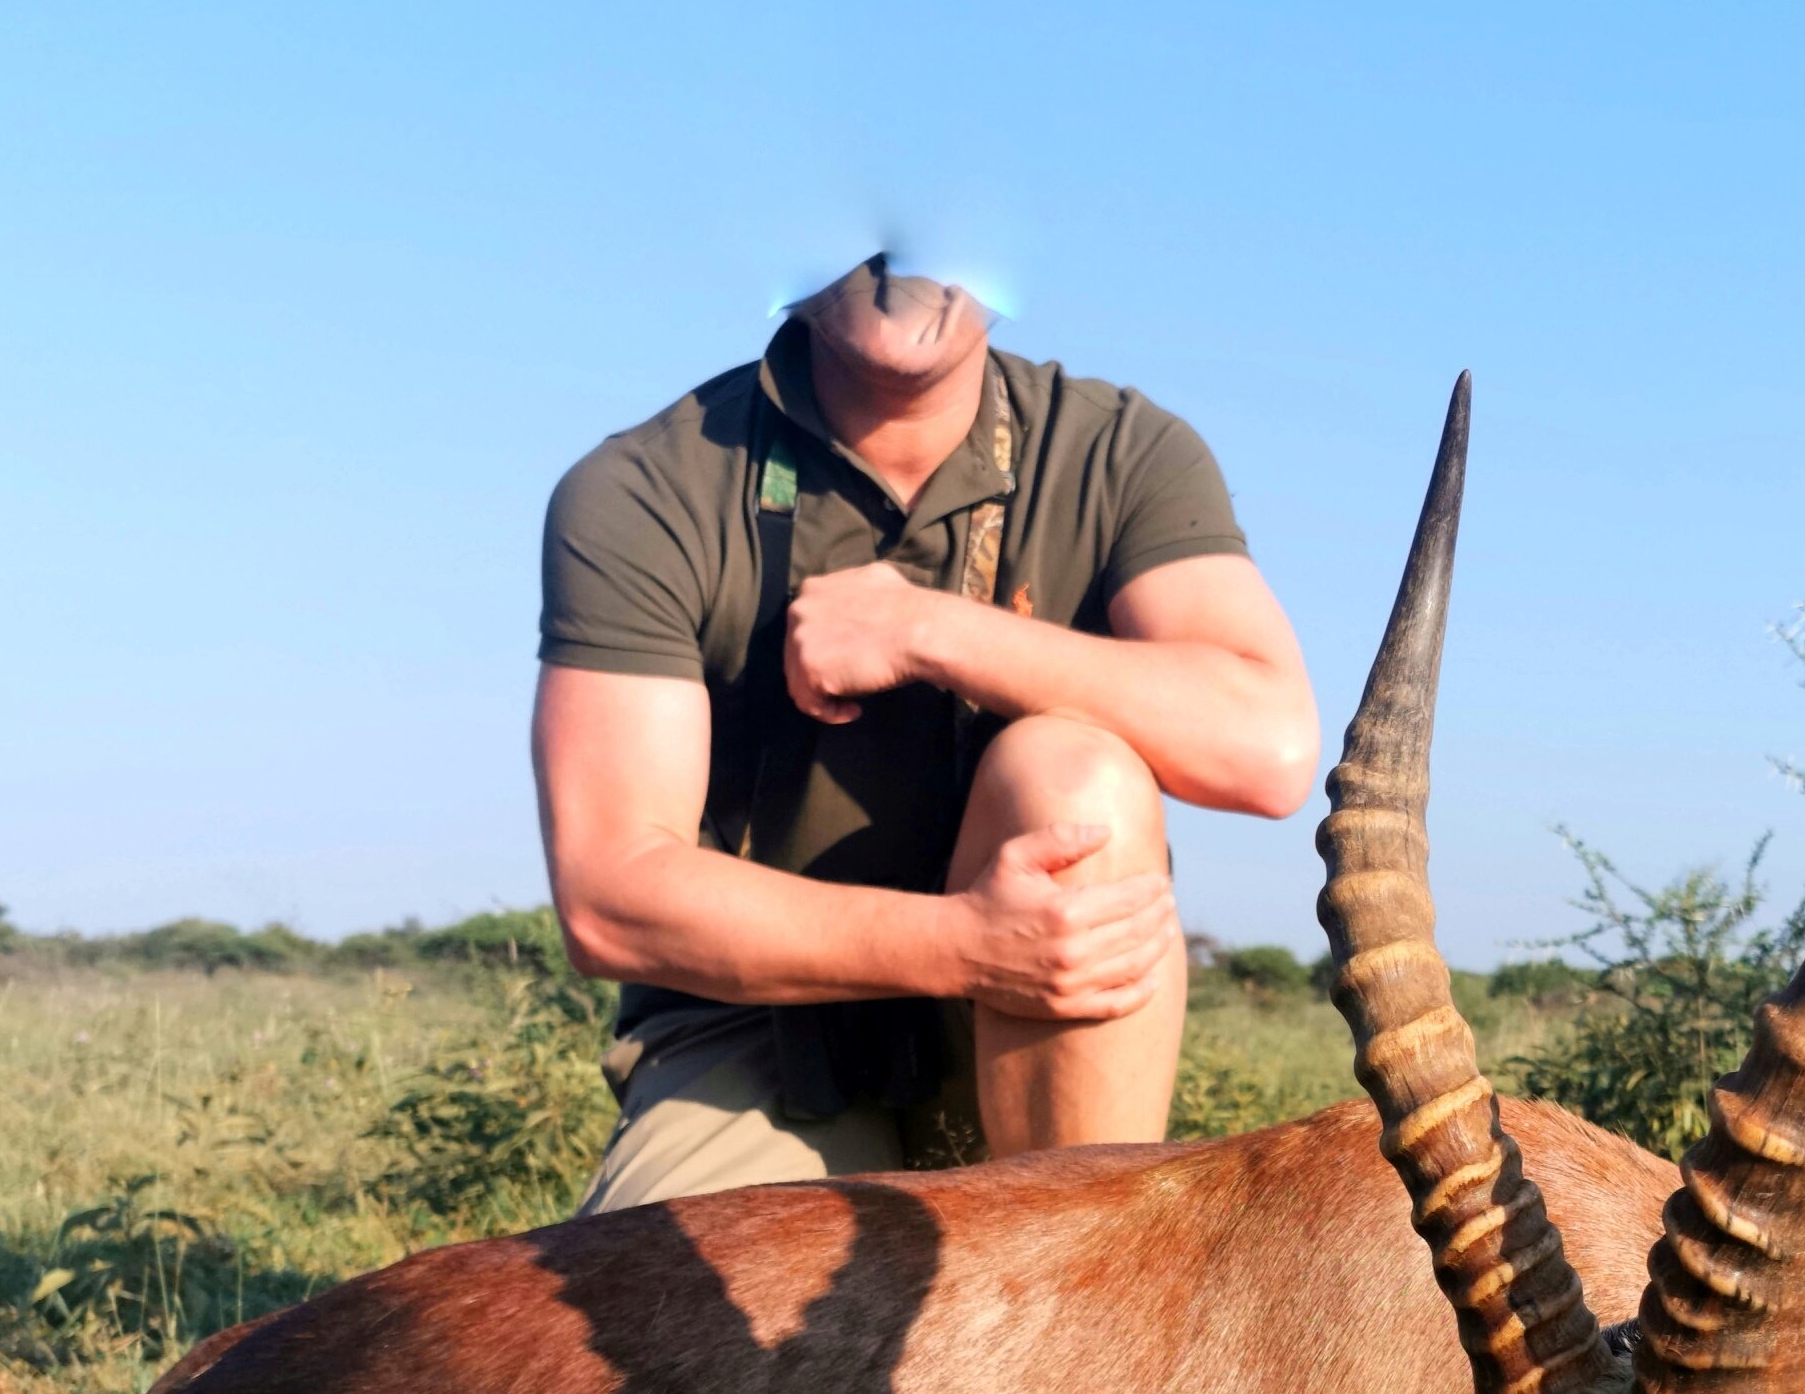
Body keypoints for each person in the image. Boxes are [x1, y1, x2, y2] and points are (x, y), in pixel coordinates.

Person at [535, 255, 1319, 1207]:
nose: (903, 251)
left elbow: (1271, 750)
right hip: (759, 1031)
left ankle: (1073, 1256)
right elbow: (608, 897)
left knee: (1077, 778)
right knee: (658, 1339)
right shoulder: (645, 487)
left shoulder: (1121, 449)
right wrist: (964, 943)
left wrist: (930, 630)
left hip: (1031, 1012)